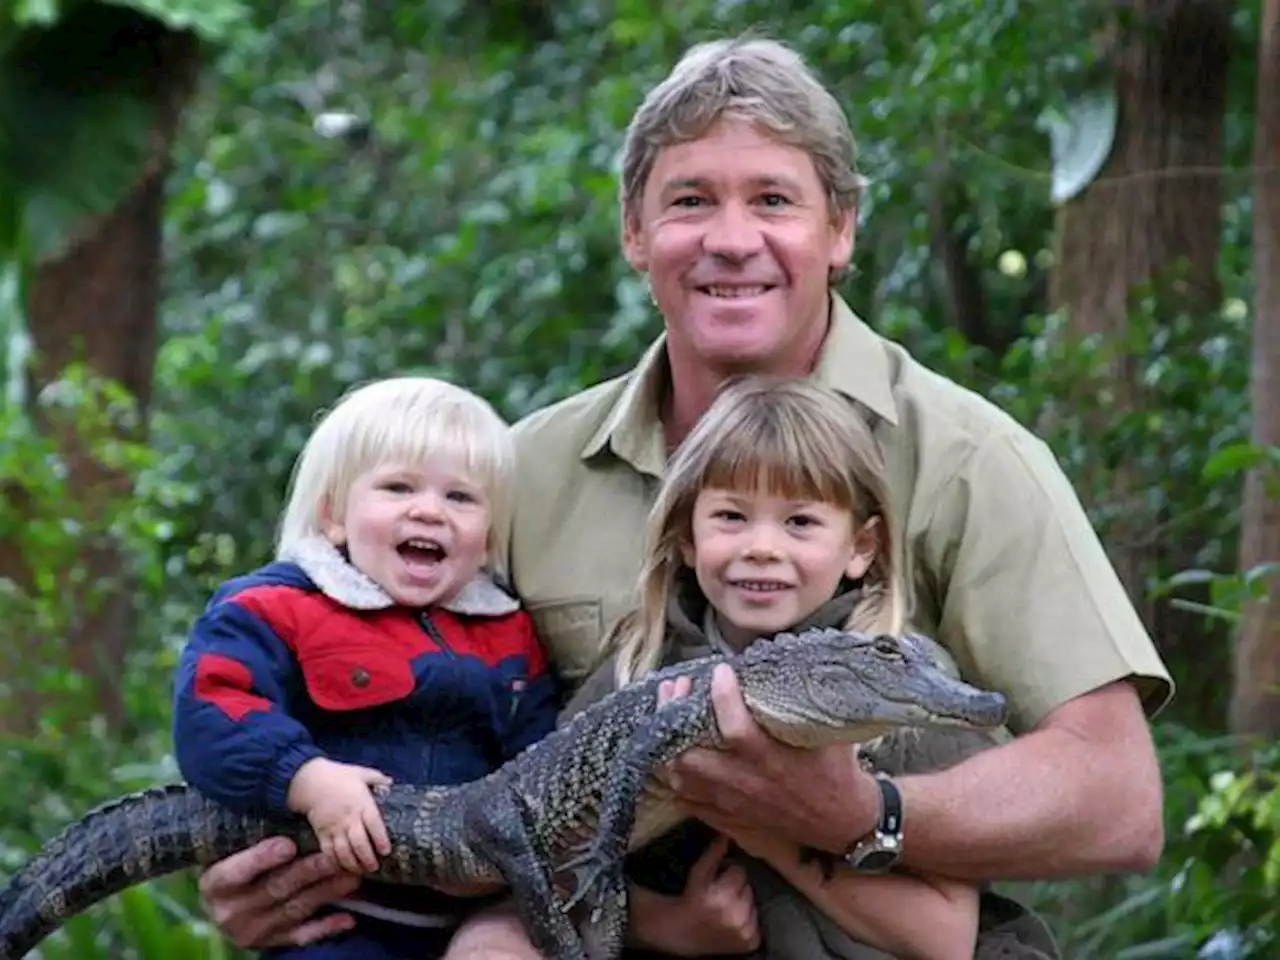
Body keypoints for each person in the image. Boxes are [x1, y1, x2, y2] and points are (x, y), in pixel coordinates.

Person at [193, 34, 1175, 959]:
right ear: (634, 232)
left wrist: (858, 818)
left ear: (840, 230)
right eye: (691, 200)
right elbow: (383, 702)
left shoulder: (966, 456)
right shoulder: (518, 471)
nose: (731, 240)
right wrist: (268, 843)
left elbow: (1116, 799)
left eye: (774, 201)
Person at [560, 374, 986, 959]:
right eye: (732, 516)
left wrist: (769, 828)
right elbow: (549, 856)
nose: (762, 546)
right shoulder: (638, 665)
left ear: (862, 547)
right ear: (688, 536)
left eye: (800, 522)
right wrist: (661, 923)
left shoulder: (905, 679)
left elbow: (946, 939)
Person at [171, 376, 559, 959]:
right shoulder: (275, 608)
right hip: (337, 918)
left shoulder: (510, 632)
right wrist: (307, 778)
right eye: (398, 487)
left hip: (474, 920)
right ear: (333, 515)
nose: (429, 510)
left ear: (488, 539)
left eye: (461, 497)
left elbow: (539, 752)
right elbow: (213, 708)